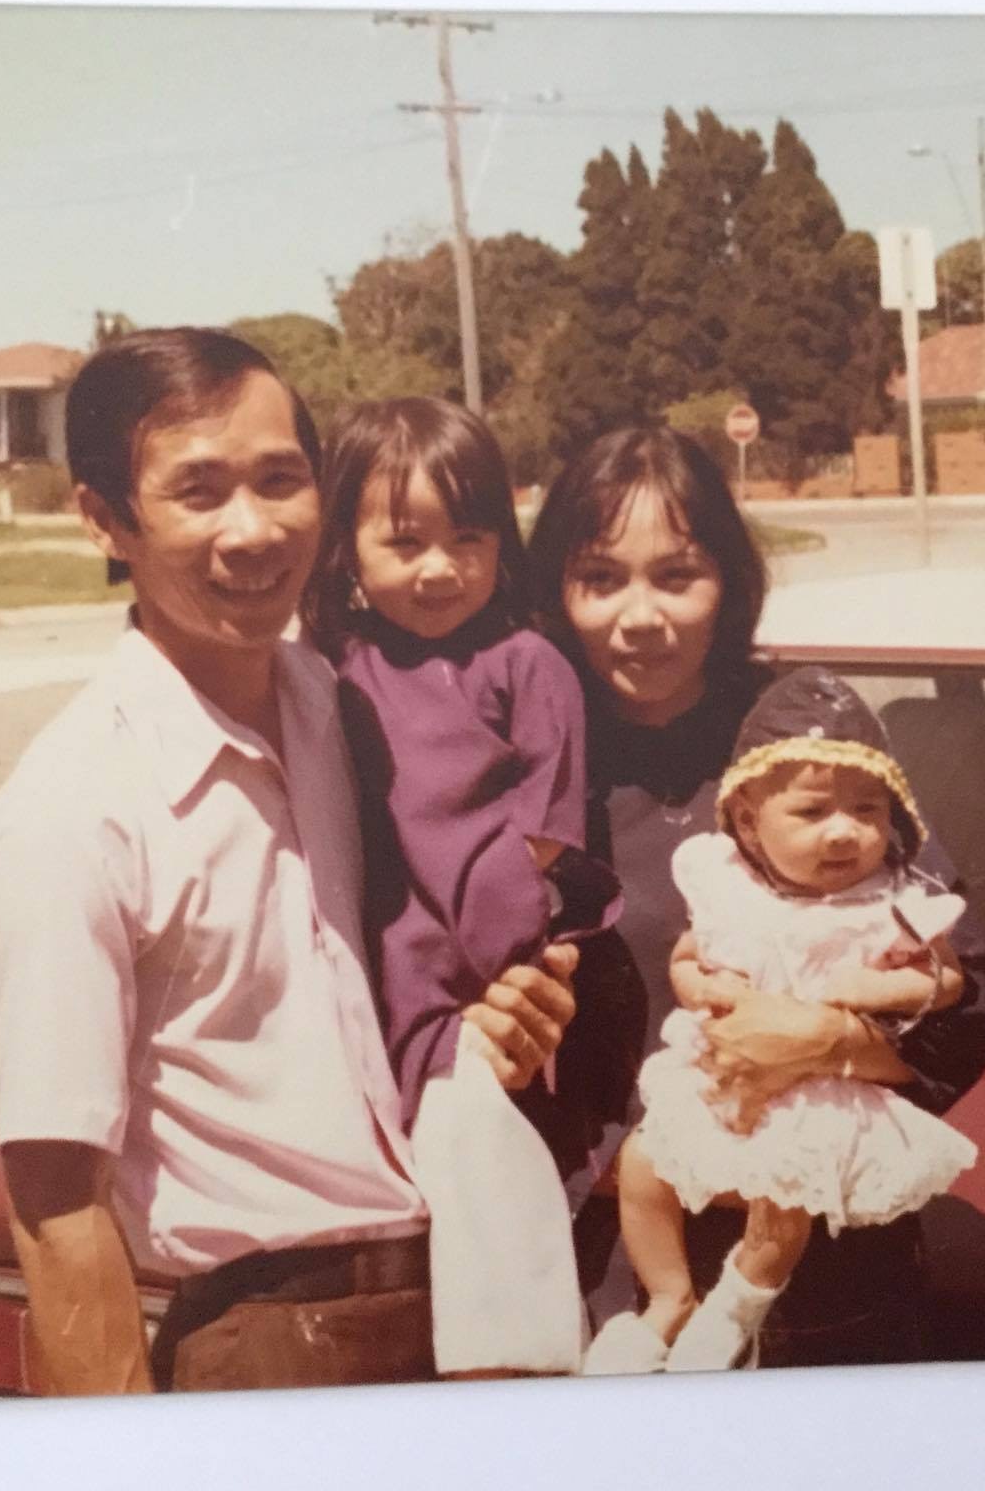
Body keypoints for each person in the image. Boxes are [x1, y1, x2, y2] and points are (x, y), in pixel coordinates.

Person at [0, 329, 574, 1395]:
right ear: (104, 519)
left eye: (279, 480)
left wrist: (506, 1002)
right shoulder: (70, 814)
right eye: (196, 491)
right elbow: (54, 1203)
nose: (252, 530)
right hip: (271, 1346)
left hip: (463, 1291)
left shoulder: (343, 707)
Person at [527, 426, 985, 1369]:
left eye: (676, 575)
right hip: (618, 1260)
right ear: (557, 590)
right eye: (600, 579)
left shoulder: (806, 746)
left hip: (822, 1271)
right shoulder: (529, 759)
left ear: (729, 586)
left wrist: (828, 1041)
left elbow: (968, 1005)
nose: (639, 616)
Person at [301, 397, 619, 1378]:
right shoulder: (328, 667)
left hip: (488, 988)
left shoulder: (526, 666)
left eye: (467, 540)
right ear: (346, 544)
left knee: (484, 1207)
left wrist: (501, 969)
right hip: (366, 986)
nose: (439, 569)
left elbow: (548, 838)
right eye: (404, 542)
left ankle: (513, 1386)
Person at [585, 668, 980, 1373]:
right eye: (812, 814)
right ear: (746, 822)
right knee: (646, 1164)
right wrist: (707, 987)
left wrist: (877, 989)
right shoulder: (728, 886)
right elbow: (688, 956)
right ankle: (668, 1298)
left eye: (867, 810)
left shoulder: (892, 899)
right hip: (718, 1081)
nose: (844, 833)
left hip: (816, 1100)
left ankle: (739, 1302)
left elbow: (954, 981)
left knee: (788, 1194)